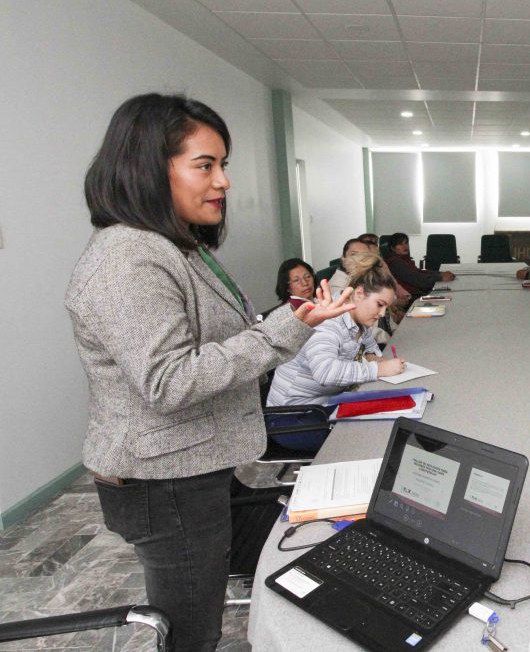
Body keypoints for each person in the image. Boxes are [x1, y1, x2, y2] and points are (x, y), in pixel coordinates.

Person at [64, 93, 354, 651]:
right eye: (205, 165)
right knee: (194, 634)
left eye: (223, 165)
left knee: (290, 551)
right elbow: (169, 381)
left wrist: (290, 321)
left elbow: (223, 336)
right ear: (149, 169)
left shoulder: (178, 247)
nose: (223, 181)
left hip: (202, 464)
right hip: (166, 481)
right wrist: (282, 331)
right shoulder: (128, 257)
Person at [267, 254, 406, 406]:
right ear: (359, 294)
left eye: (386, 307)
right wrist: (376, 369)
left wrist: (373, 356)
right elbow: (325, 372)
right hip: (297, 411)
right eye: (379, 304)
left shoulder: (357, 314)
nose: (382, 314)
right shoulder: (327, 322)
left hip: (327, 400)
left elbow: (368, 343)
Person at [384, 232, 455, 298]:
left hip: (417, 292)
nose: (405, 246)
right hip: (411, 296)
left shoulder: (404, 259)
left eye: (406, 243)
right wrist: (440, 277)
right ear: (392, 248)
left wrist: (440, 273)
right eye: (400, 244)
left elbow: (418, 272)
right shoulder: (395, 262)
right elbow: (417, 280)